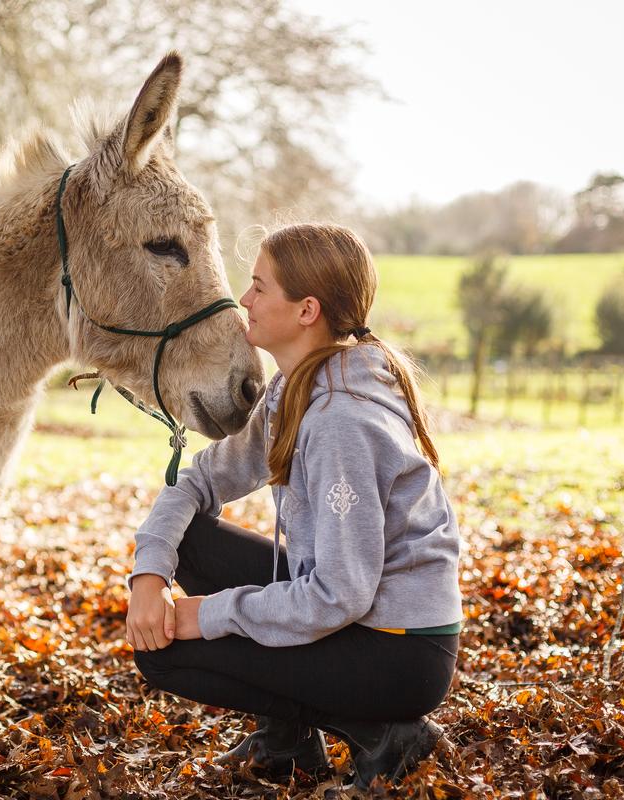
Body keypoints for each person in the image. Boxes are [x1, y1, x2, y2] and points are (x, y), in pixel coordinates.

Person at [125, 223, 462, 789]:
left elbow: (339, 595)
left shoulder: (340, 422)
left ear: (307, 310)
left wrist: (208, 615)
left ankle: (382, 733)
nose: (244, 300)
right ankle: (288, 743)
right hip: (355, 615)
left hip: (400, 652)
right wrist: (149, 574)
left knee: (164, 656)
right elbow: (197, 481)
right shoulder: (295, 389)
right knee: (188, 538)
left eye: (259, 286)